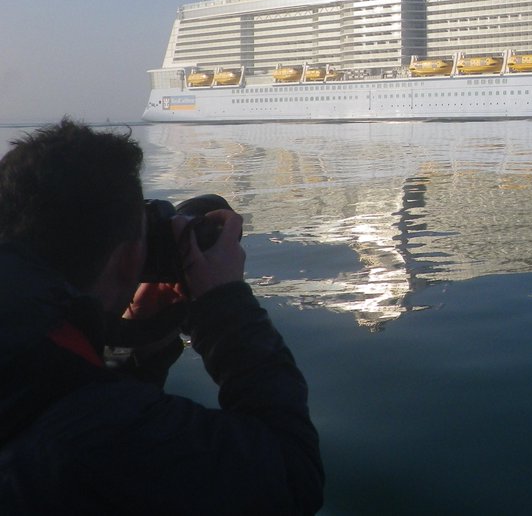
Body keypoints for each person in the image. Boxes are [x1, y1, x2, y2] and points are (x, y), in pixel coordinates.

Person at [0, 118, 324, 514]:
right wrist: (226, 307)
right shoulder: (92, 435)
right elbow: (291, 477)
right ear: (130, 258)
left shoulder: (34, 354)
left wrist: (138, 343)